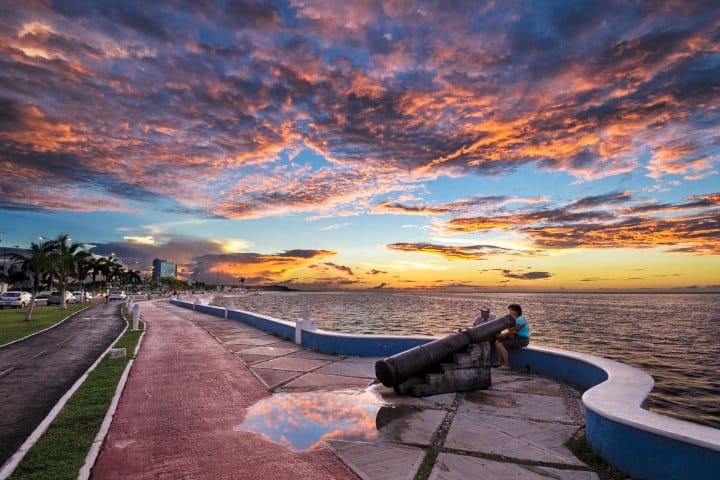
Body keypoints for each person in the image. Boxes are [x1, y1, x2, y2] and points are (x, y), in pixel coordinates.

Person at [494, 303, 530, 368]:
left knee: (501, 344)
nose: (510, 312)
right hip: (518, 337)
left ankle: (507, 365)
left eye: (511, 310)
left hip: (522, 339)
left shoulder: (520, 319)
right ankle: (500, 361)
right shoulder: (517, 319)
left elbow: (515, 329)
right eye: (510, 310)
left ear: (517, 312)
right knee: (497, 342)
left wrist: (508, 327)